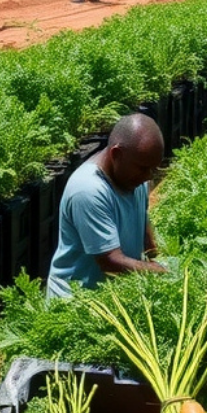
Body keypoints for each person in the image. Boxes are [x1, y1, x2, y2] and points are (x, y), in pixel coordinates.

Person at [46, 113, 169, 297]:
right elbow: (110, 261)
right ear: (116, 154)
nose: (149, 176)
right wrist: (162, 272)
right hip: (76, 303)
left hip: (111, 297)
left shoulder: (135, 178)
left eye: (153, 168)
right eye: (143, 168)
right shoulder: (89, 190)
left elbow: (143, 227)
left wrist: (156, 257)